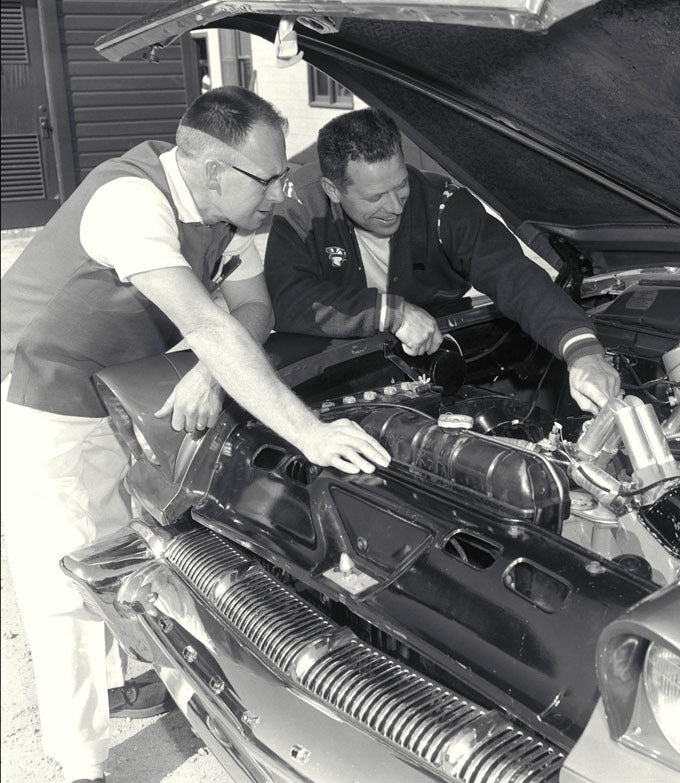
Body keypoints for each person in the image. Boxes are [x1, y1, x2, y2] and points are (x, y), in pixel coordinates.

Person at [0, 86, 389, 783]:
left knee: (131, 541)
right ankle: (81, 760)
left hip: (111, 390)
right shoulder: (129, 202)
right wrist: (308, 431)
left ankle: (128, 676)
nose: (281, 191)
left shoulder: (239, 212)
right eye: (267, 178)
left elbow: (252, 307)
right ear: (213, 171)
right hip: (33, 394)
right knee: (63, 577)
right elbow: (205, 321)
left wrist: (213, 375)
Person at [263, 108, 620, 415]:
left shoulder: (445, 206)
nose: (395, 206)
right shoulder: (301, 205)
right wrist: (391, 313)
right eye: (375, 197)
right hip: (336, 373)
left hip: (442, 360)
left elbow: (513, 275)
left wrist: (581, 351)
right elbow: (288, 298)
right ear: (332, 190)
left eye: (400, 185)